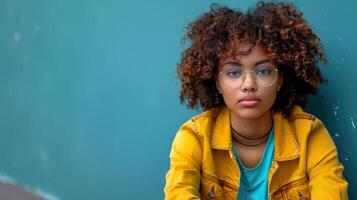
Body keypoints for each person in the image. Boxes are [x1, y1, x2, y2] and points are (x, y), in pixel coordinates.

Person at [164, 1, 349, 200]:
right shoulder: (195, 137)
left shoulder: (310, 135)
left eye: (263, 71)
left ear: (279, 80)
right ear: (218, 83)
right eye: (234, 72)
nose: (249, 84)